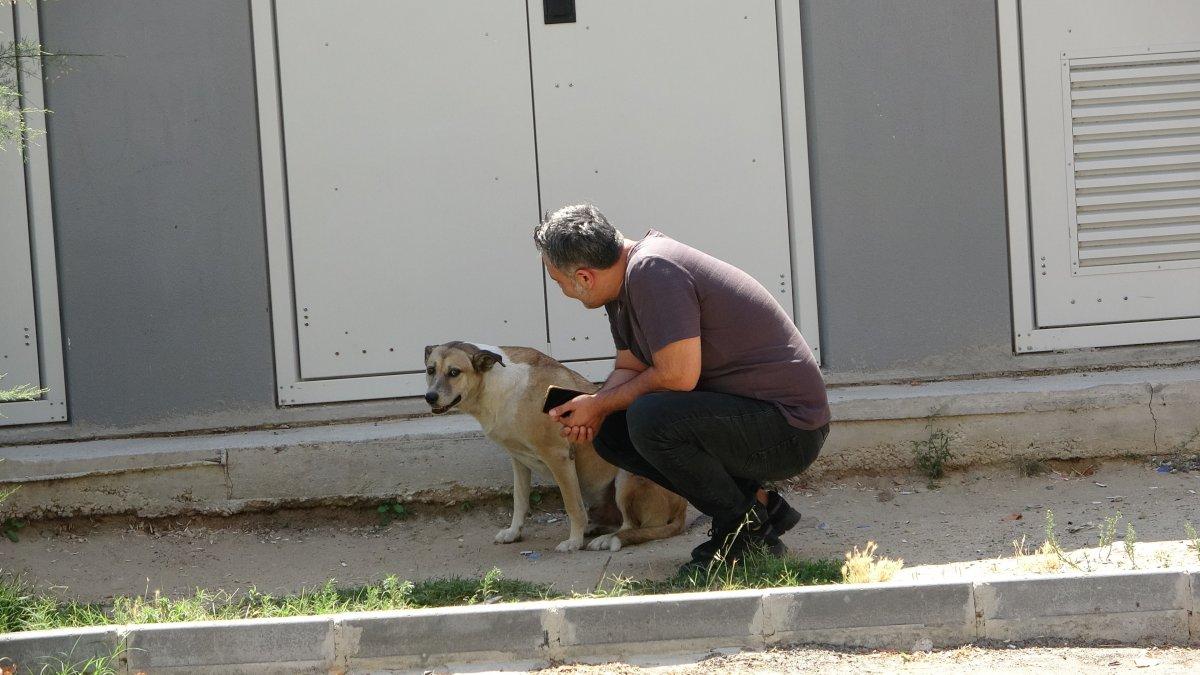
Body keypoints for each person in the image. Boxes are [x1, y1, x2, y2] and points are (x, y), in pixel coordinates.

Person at [534, 204, 831, 572]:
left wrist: (600, 404)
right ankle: (757, 509)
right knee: (612, 429)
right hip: (749, 417)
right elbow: (630, 366)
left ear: (584, 277)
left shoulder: (653, 272)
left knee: (650, 418)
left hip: (789, 428)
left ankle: (741, 534)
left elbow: (678, 376)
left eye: (558, 281)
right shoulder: (623, 286)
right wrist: (594, 407)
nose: (563, 290)